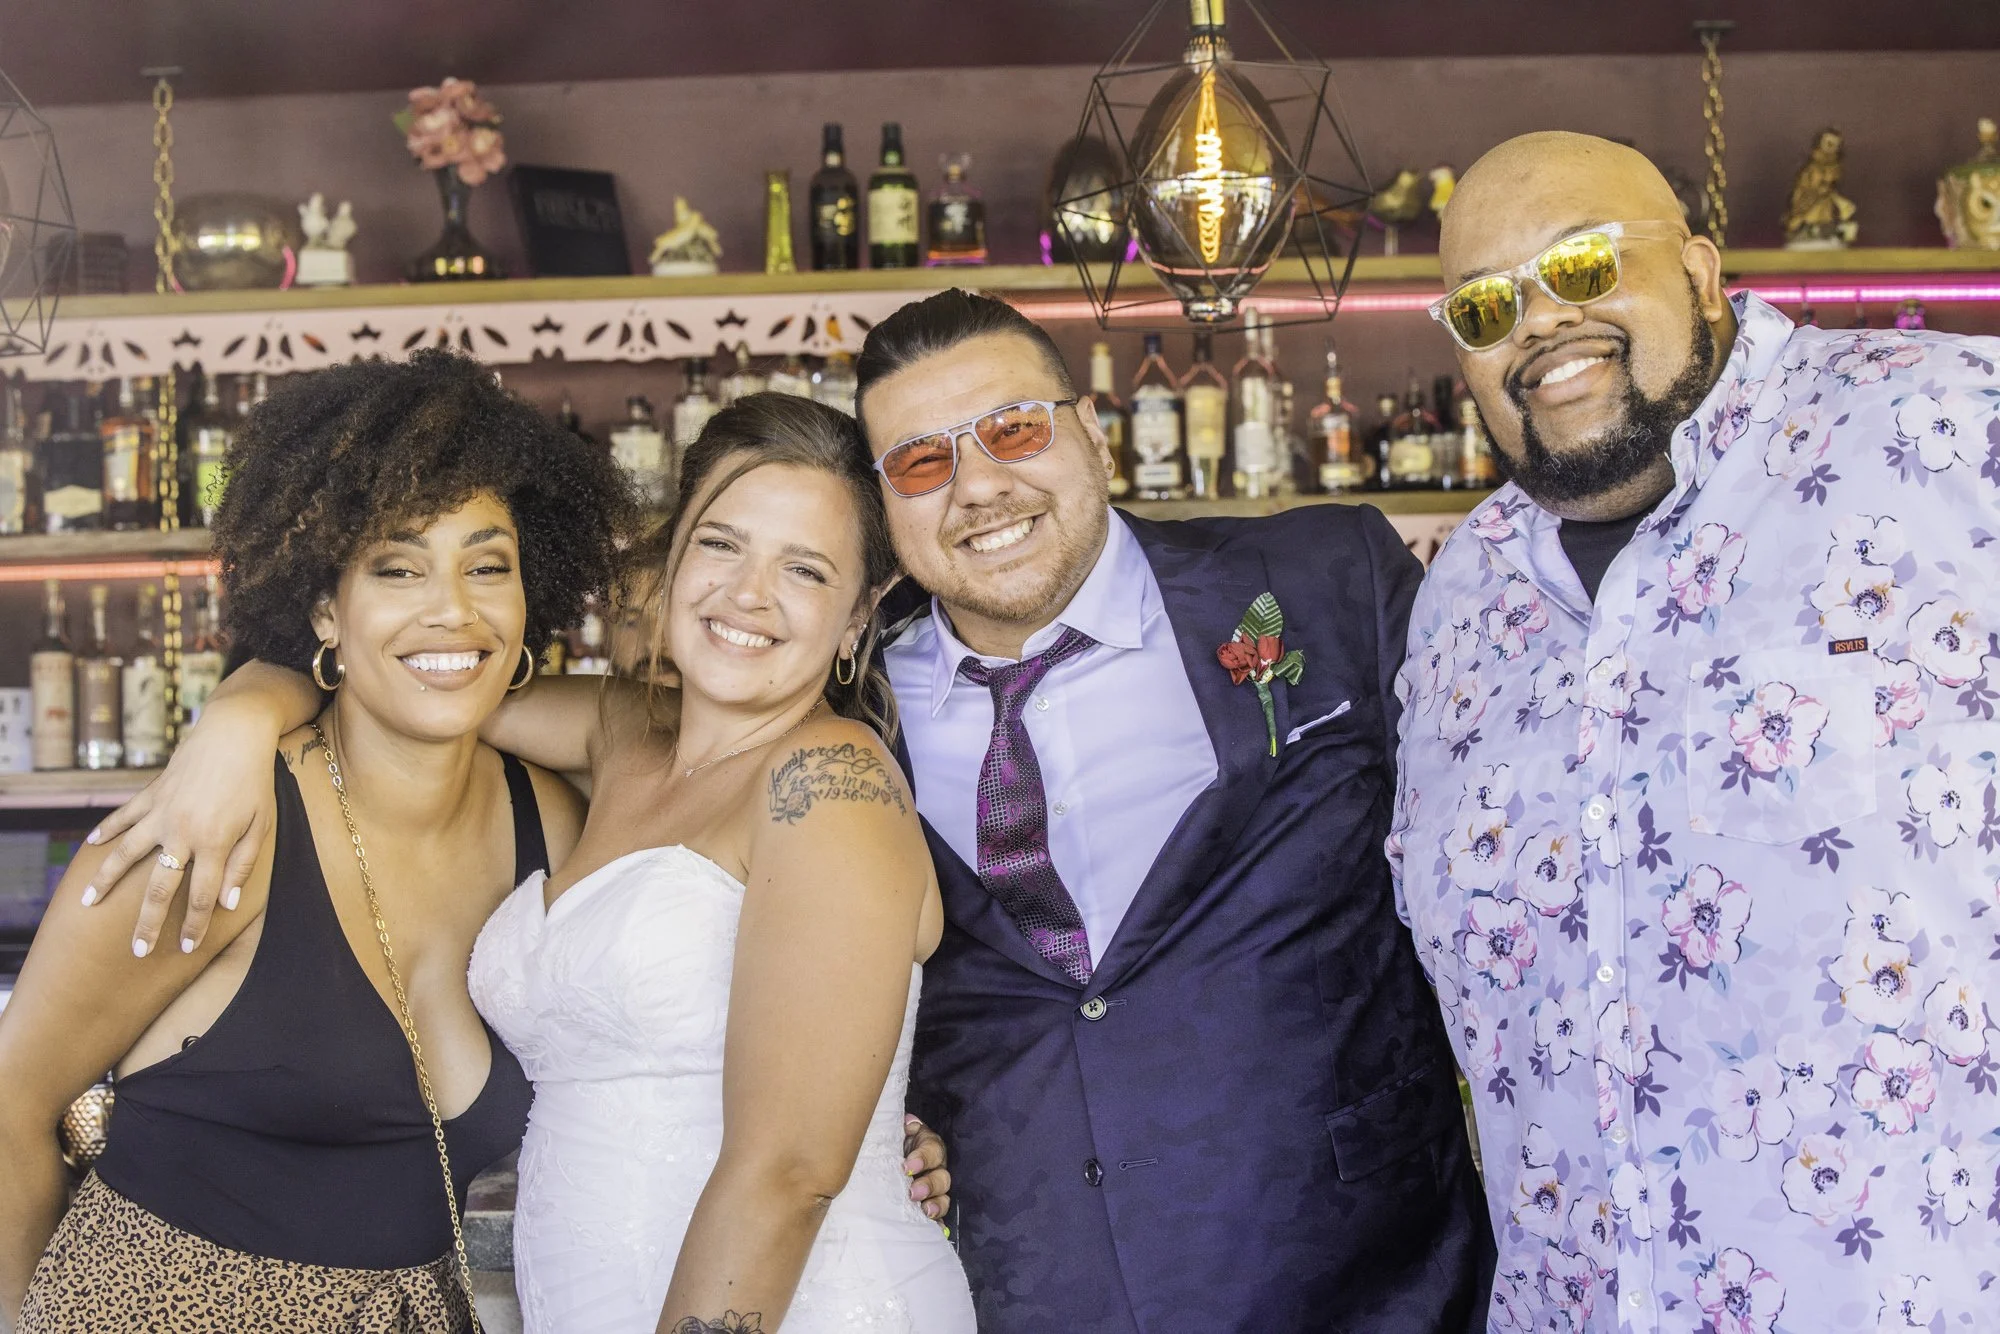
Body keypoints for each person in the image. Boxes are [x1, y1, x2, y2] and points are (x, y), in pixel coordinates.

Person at [85, 394, 973, 1334]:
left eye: (804, 568)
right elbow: (417, 672)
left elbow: (790, 1172)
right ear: (671, 558)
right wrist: (239, 715)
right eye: (720, 545)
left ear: (858, 613)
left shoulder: (830, 782)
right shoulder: (624, 735)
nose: (749, 594)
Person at [1393, 130, 2000, 1333]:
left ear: (1702, 270)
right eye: (1484, 305)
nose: (1539, 320)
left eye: (1580, 265)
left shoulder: (1944, 422)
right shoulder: (1458, 599)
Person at [860, 291, 1491, 1330]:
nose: (977, 485)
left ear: (1094, 433)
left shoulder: (1322, 580)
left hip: (1370, 1285)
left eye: (1013, 429)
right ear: (882, 503)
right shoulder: (846, 707)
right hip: (1033, 1296)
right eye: (921, 462)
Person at [0, 351, 630, 1331]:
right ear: (326, 608)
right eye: (397, 566)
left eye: (487, 566)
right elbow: (10, 1107)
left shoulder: (550, 822)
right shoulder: (216, 831)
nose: (452, 608)